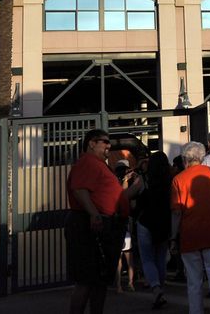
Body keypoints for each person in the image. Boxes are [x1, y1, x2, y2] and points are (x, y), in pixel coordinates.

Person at [66, 129, 142, 314]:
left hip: (102, 225)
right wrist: (94, 214)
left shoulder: (99, 165)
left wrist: (138, 186)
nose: (109, 146)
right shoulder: (88, 162)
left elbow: (115, 198)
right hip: (90, 227)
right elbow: (79, 189)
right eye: (104, 142)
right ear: (91, 143)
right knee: (87, 280)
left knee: (98, 281)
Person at [171, 141, 210, 314]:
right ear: (202, 157)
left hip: (190, 235)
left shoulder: (178, 179)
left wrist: (173, 236)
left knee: (194, 281)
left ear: (185, 158)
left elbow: (176, 213)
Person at [136, 151, 172, 309]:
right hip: (164, 222)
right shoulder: (171, 182)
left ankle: (156, 288)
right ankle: (160, 289)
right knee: (160, 258)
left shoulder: (144, 180)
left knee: (147, 259)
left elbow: (127, 195)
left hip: (146, 222)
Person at [113, 159, 136, 293]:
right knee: (129, 255)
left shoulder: (111, 182)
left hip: (116, 222)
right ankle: (130, 283)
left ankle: (119, 285)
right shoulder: (128, 182)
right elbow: (126, 198)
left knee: (119, 257)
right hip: (125, 221)